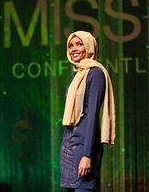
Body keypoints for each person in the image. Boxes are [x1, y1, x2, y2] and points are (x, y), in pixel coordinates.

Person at [60, 31, 115, 192]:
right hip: (69, 144)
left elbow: (91, 117)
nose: (73, 49)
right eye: (70, 45)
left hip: (85, 147)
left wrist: (87, 155)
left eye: (79, 44)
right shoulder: (77, 74)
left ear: (89, 47)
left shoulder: (96, 73)